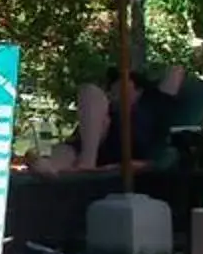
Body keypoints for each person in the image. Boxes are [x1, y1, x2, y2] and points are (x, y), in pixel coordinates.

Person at [26, 62, 186, 179]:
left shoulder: (153, 102)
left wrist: (150, 74)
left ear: (139, 88)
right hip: (90, 148)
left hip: (126, 150)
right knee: (89, 93)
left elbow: (177, 70)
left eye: (122, 81)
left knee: (94, 100)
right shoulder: (105, 110)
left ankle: (84, 164)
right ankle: (48, 165)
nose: (114, 88)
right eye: (112, 87)